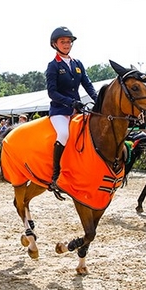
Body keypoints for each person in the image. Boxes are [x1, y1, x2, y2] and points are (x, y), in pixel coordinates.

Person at [46, 26, 98, 196]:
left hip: (77, 109)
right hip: (60, 110)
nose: (67, 44)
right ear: (55, 44)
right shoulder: (53, 65)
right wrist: (72, 102)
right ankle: (55, 175)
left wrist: (98, 100)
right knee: (64, 134)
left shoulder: (77, 64)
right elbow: (52, 92)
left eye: (69, 42)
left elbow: (87, 84)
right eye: (63, 42)